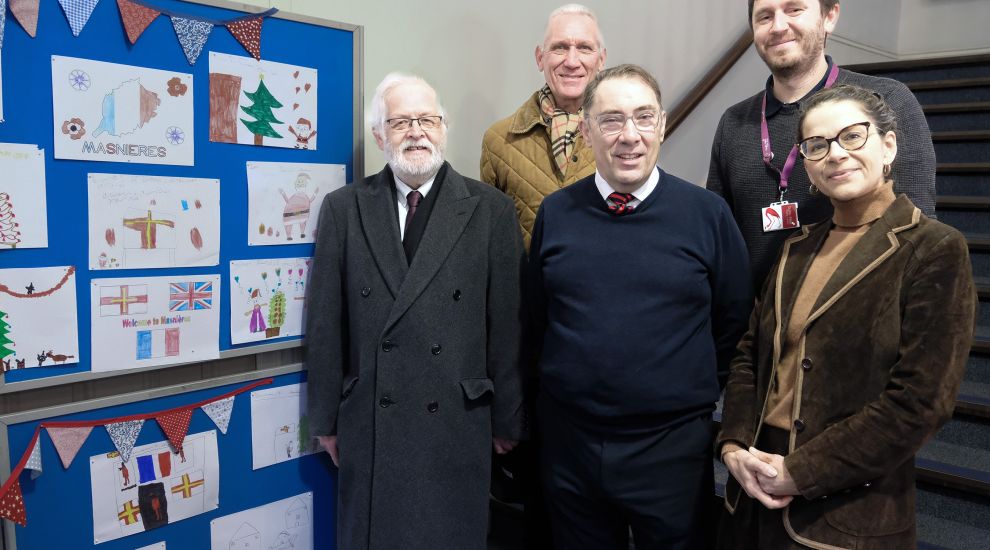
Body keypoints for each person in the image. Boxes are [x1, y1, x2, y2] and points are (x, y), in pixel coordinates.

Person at [717, 84, 975, 549]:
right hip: (753, 484)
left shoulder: (933, 248)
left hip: (847, 507)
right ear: (807, 164)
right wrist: (733, 445)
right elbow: (750, 355)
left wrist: (799, 473)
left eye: (852, 136)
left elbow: (920, 402)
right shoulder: (796, 247)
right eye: (817, 145)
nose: (835, 154)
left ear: (889, 145)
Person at [528, 64, 752, 549]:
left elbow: (734, 324)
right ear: (586, 131)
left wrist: (683, 393)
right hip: (571, 446)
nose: (629, 136)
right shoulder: (557, 213)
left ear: (663, 125)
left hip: (670, 449)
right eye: (611, 120)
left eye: (643, 118)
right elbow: (537, 320)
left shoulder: (707, 215)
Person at [305, 73, 526, 550]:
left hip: (457, 420)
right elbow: (326, 324)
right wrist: (324, 420)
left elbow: (506, 326)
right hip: (371, 422)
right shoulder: (345, 208)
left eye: (427, 119)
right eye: (401, 121)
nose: (416, 131)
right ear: (380, 135)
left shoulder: (491, 210)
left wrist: (508, 420)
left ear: (444, 128)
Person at [707, 0, 936, 292]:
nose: (778, 26)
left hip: (856, 318)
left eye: (794, 9)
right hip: (759, 325)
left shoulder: (885, 100)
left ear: (829, 17)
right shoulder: (734, 122)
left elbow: (917, 232)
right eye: (764, 16)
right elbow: (719, 238)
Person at [481, 3, 605, 248]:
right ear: (540, 58)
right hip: (526, 287)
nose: (572, 61)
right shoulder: (499, 141)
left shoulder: (621, 136)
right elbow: (489, 242)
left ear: (601, 60)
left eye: (584, 48)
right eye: (559, 47)